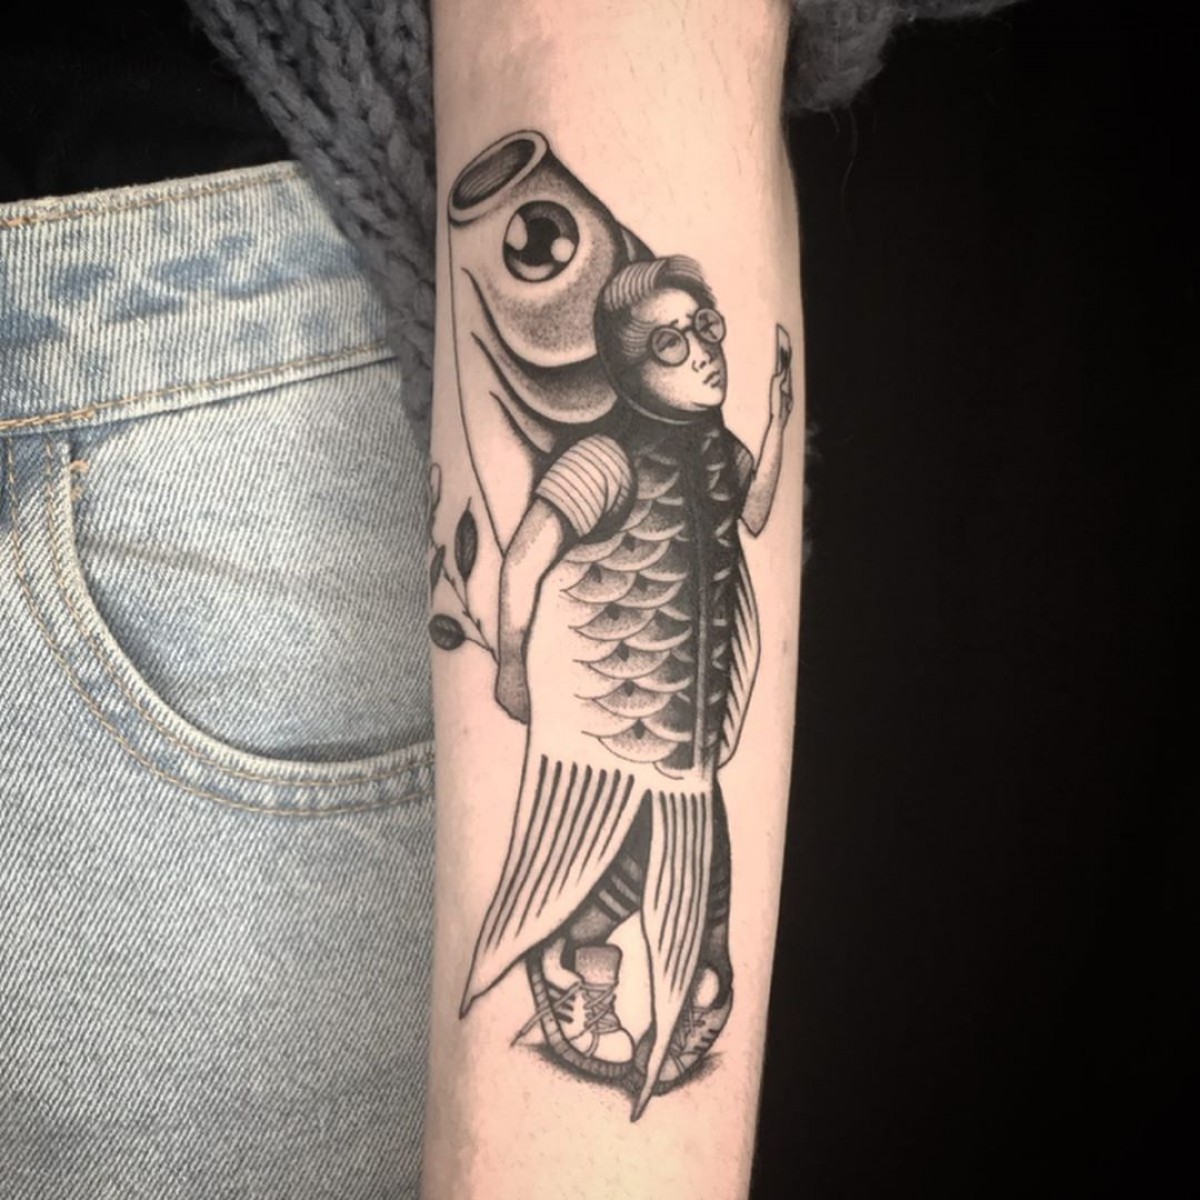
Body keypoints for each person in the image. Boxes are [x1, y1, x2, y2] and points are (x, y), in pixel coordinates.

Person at [0, 2, 1019, 1197]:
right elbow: (531, 553)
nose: (704, 351)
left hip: (177, 377)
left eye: (704, 332)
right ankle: (594, 985)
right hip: (173, 422)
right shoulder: (601, 457)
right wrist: (523, 662)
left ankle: (642, 996)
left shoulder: (694, 442)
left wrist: (775, 408)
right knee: (608, 890)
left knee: (672, 888)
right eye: (677, 339)